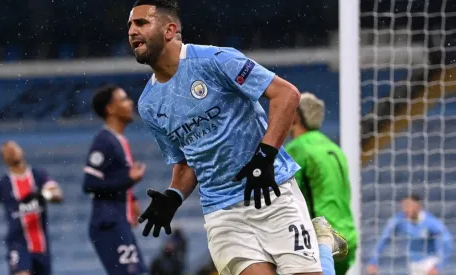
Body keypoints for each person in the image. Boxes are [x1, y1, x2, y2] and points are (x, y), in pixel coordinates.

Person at [129, 1, 346, 275]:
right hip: (222, 213)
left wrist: (265, 156)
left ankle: (323, 243)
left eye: (141, 23)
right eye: (129, 26)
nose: (132, 31)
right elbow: (185, 162)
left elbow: (286, 94)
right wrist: (173, 196)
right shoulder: (149, 104)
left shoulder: (215, 60)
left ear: (170, 29)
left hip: (272, 192)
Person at [284, 92, 358, 274]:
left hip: (321, 239)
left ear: (295, 116)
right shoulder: (333, 148)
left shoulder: (297, 148)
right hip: (346, 238)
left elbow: (284, 197)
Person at [0, 140, 63, 275]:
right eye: (7, 151)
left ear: (22, 150)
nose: (11, 151)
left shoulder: (38, 176)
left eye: (13, 147)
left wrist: (44, 194)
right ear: (4, 159)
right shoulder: (2, 185)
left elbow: (58, 195)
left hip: (41, 246)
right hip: (18, 244)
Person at [83, 85, 148, 275]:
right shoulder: (104, 141)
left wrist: (132, 200)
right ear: (110, 108)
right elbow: (89, 184)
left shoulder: (119, 140)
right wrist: (129, 180)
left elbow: (115, 178)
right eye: (124, 99)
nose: (130, 103)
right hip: (108, 223)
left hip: (118, 220)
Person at [366, 195, 453, 275]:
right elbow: (384, 239)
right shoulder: (399, 220)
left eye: (409, 206)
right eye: (404, 206)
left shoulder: (431, 223)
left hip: (430, 262)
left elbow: (447, 243)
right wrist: (373, 261)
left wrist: (437, 266)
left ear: (418, 206)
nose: (406, 209)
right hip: (413, 264)